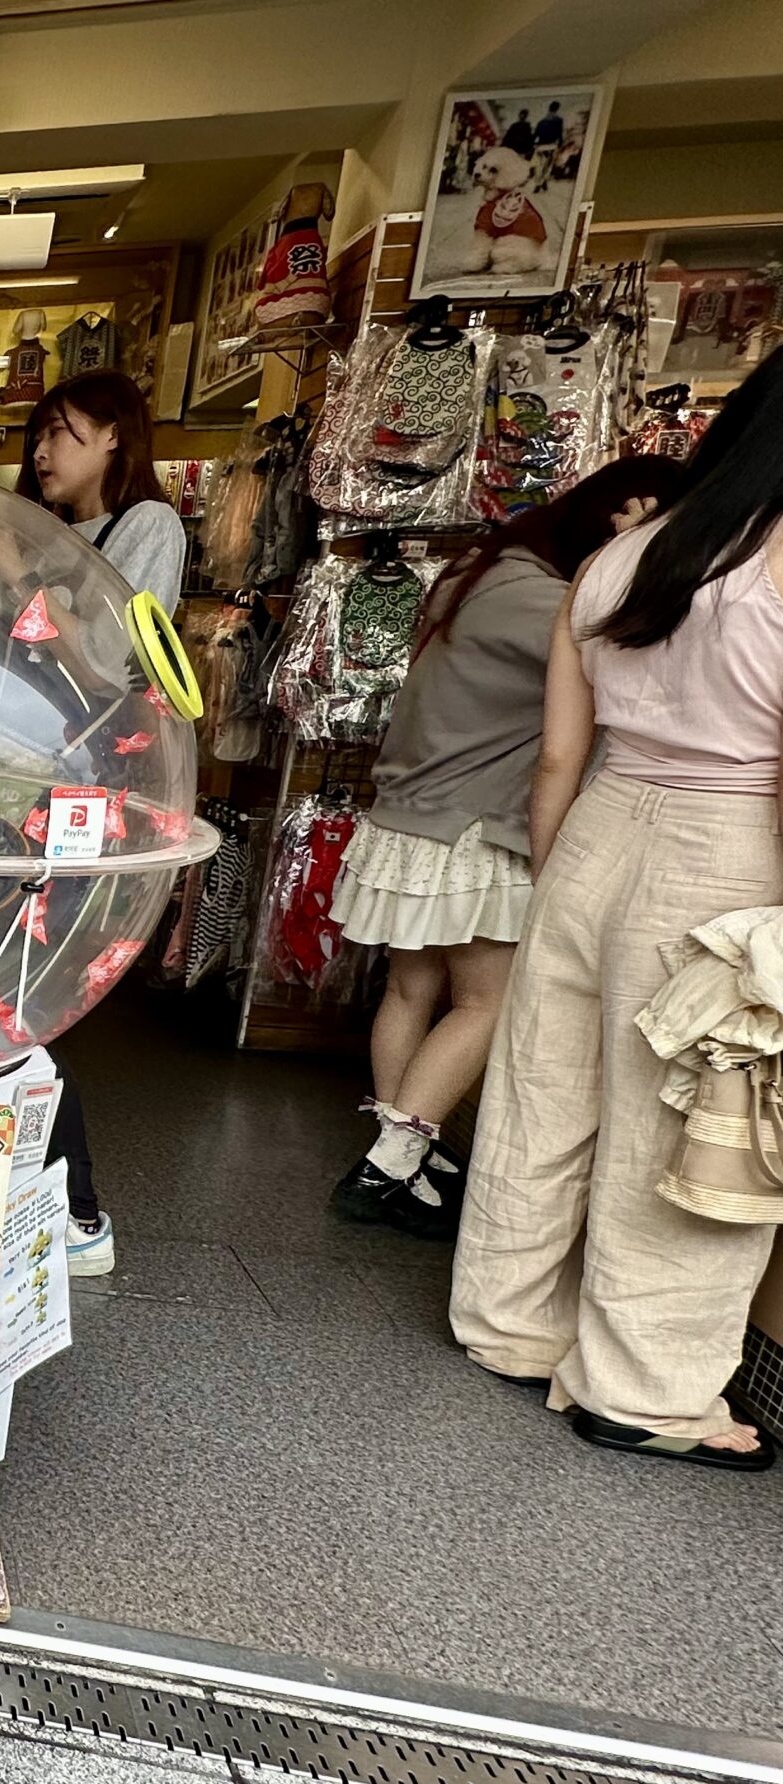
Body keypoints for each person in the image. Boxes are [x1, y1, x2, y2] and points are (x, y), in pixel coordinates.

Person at [452, 351, 783, 1471]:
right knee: (681, 1126)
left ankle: (505, 1325)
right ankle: (641, 1391)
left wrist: (564, 880)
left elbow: (556, 756)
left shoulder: (621, 558)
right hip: (731, 852)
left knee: (544, 1092)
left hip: (595, 830)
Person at [330, 456, 687, 1236]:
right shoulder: (545, 602)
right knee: (490, 1002)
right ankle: (387, 1168)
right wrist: (630, 561)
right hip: (472, 832)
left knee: (410, 995)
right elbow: (652, 662)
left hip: (405, 822)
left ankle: (404, 1161)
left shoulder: (478, 572)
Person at [16, 370, 187, 1277]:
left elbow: (115, 662)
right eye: (39, 434)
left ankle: (78, 1210)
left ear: (117, 435)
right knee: (6, 980)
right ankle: (34, 1195)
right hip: (20, 783)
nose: (44, 452)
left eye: (64, 431)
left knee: (29, 991)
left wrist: (29, 587)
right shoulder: (40, 532)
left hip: (87, 795)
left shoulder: (146, 528)